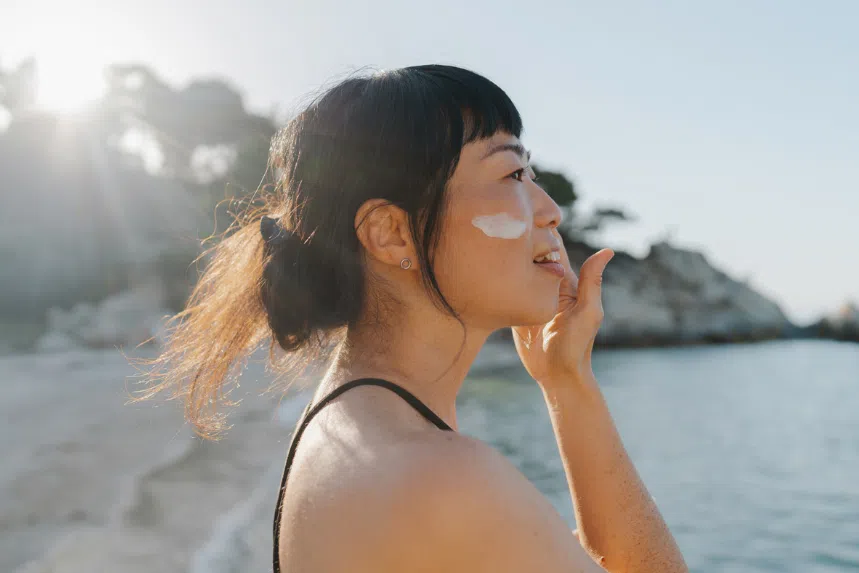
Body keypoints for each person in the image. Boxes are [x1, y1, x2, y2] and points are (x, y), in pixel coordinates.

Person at [139, 64, 688, 572]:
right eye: (513, 173)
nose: (550, 209)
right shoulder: (443, 480)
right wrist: (574, 389)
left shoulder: (351, 421)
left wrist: (566, 378)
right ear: (391, 234)